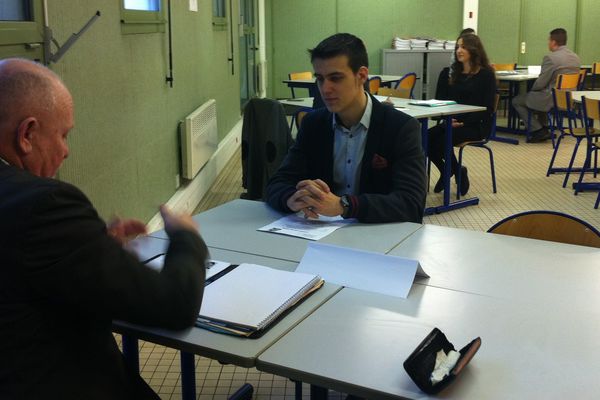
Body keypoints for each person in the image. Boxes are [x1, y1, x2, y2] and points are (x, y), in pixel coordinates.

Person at [0, 58, 208, 399]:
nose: (66, 152)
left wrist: (90, 246)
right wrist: (186, 237)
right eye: (64, 135)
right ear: (27, 134)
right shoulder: (45, 204)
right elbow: (174, 304)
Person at [266, 33, 427, 223]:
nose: (325, 89)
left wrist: (345, 205)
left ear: (361, 76)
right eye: (320, 78)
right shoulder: (313, 124)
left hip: (377, 235)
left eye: (336, 78)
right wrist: (290, 199)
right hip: (321, 235)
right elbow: (277, 183)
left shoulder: (401, 128)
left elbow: (412, 204)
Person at [429, 33, 497, 196]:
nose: (459, 50)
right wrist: (448, 120)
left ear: (474, 50)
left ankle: (449, 172)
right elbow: (441, 101)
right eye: (458, 47)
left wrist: (463, 123)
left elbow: (487, 108)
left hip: (476, 125)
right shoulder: (450, 73)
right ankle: (455, 170)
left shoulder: (486, 75)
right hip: (450, 121)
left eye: (464, 47)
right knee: (423, 137)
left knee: (441, 139)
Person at [511, 28, 581, 143]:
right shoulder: (576, 58)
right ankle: (543, 126)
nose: (548, 43)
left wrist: (531, 89)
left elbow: (540, 83)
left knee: (517, 100)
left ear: (553, 42)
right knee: (540, 94)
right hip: (568, 98)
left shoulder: (551, 58)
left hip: (551, 98)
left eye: (549, 40)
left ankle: (537, 130)